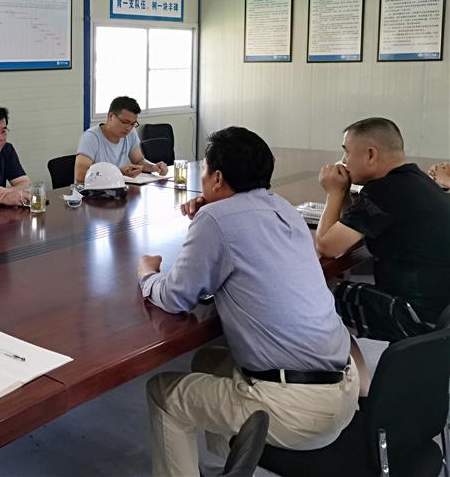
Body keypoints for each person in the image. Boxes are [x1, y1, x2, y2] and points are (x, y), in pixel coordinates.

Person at [137, 127, 358, 477]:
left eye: (205, 170)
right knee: (208, 360)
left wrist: (147, 274)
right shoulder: (283, 208)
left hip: (299, 409)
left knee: (164, 394)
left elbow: (175, 297)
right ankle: (223, 468)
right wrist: (214, 209)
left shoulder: (215, 219)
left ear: (217, 178)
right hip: (343, 388)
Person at [316, 117, 450, 342]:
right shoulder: (414, 180)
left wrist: (334, 193)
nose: (344, 161)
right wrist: (345, 193)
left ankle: (347, 365)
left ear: (370, 154)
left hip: (416, 316)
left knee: (315, 297)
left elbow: (328, 246)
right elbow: (350, 231)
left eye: (346, 152)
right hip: (441, 312)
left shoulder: (384, 190)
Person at [74, 96, 167, 184]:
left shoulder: (130, 133)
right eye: (125, 122)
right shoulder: (91, 137)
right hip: (91, 192)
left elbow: (139, 161)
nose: (128, 128)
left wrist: (153, 167)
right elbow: (80, 175)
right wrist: (119, 172)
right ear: (111, 116)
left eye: (133, 124)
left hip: (116, 188)